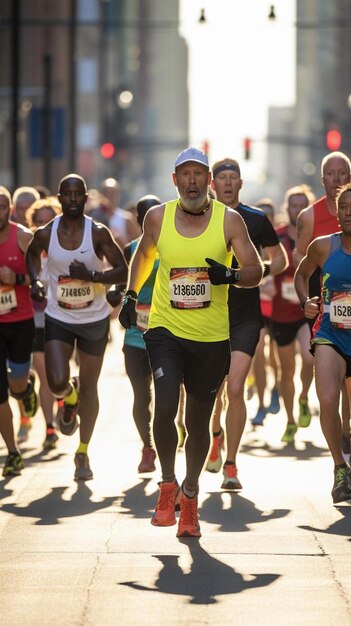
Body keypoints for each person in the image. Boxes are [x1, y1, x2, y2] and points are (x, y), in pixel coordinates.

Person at [118, 147, 263, 537]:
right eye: (186, 174)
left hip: (212, 336)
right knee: (164, 404)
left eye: (200, 174)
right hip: (166, 328)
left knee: (198, 424)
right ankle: (167, 486)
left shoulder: (229, 221)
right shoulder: (157, 217)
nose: (193, 181)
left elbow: (256, 269)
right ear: (175, 180)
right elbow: (145, 254)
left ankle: (191, 497)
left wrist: (230, 277)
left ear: (209, 182)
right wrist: (130, 296)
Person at [25, 174, 128, 480]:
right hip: (59, 316)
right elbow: (32, 255)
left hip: (94, 319)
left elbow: (122, 270)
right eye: (66, 194)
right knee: (56, 381)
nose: (72, 199)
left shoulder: (97, 233)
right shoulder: (46, 234)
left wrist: (93, 277)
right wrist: (36, 282)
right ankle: (68, 397)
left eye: (77, 194)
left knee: (91, 386)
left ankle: (83, 451)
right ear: (59, 198)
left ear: (85, 199)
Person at [207, 158, 288, 489]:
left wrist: (255, 273)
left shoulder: (255, 219)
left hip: (245, 316)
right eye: (221, 178)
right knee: (215, 391)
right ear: (213, 184)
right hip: (209, 315)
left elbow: (280, 258)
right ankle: (215, 435)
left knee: (237, 387)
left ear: (241, 184)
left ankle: (231, 465)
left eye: (232, 178)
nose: (227, 183)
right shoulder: (201, 220)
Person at [294, 182, 351, 503]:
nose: (349, 214)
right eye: (344, 209)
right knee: (328, 399)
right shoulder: (323, 247)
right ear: (337, 214)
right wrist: (306, 301)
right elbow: (301, 275)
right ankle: (340, 468)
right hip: (331, 334)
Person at [270, 185, 315, 443]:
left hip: (305, 308)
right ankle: (289, 420)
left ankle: (305, 396)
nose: (297, 210)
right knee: (286, 371)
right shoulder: (277, 236)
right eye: (293, 205)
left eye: (302, 205)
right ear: (287, 209)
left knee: (309, 360)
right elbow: (268, 262)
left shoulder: (314, 236)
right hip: (280, 311)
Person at [17, 197, 63, 449]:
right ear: (31, 224)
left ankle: (66, 398)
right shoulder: (28, 250)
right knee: (44, 373)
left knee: (59, 376)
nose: (43, 227)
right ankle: (49, 428)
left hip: (64, 320)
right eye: (38, 222)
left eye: (49, 222)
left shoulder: (64, 247)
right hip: (35, 321)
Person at [0, 186, 38, 477]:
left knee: (16, 385)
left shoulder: (23, 237)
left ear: (10, 209)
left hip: (22, 322)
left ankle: (26, 389)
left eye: (2, 206)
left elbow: (44, 276)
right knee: (1, 394)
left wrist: (18, 278)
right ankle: (13, 452)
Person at [122, 194, 161, 473]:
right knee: (141, 396)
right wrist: (119, 294)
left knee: (166, 394)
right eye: (144, 216)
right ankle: (147, 447)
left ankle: (167, 439)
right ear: (138, 220)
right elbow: (122, 281)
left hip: (167, 334)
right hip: (136, 336)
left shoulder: (176, 248)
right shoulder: (131, 250)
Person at [101, 178, 141, 247]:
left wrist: (120, 241)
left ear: (118, 195)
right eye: (107, 193)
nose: (110, 196)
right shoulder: (94, 216)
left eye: (113, 193)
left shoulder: (126, 218)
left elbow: (139, 246)